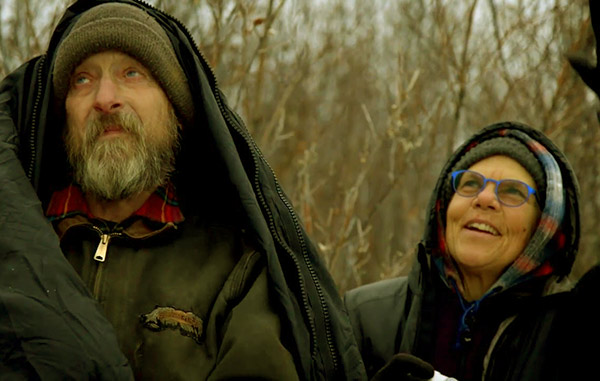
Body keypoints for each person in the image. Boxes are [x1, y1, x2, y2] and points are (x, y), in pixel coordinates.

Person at [0, 0, 366, 379]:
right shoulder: (15, 247)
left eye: (132, 73)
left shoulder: (235, 270)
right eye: (82, 79)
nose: (105, 98)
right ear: (62, 116)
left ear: (175, 108)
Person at [344, 121, 581, 380]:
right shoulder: (364, 316)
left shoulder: (570, 336)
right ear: (445, 206)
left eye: (512, 191)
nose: (485, 198)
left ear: (543, 227)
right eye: (470, 184)